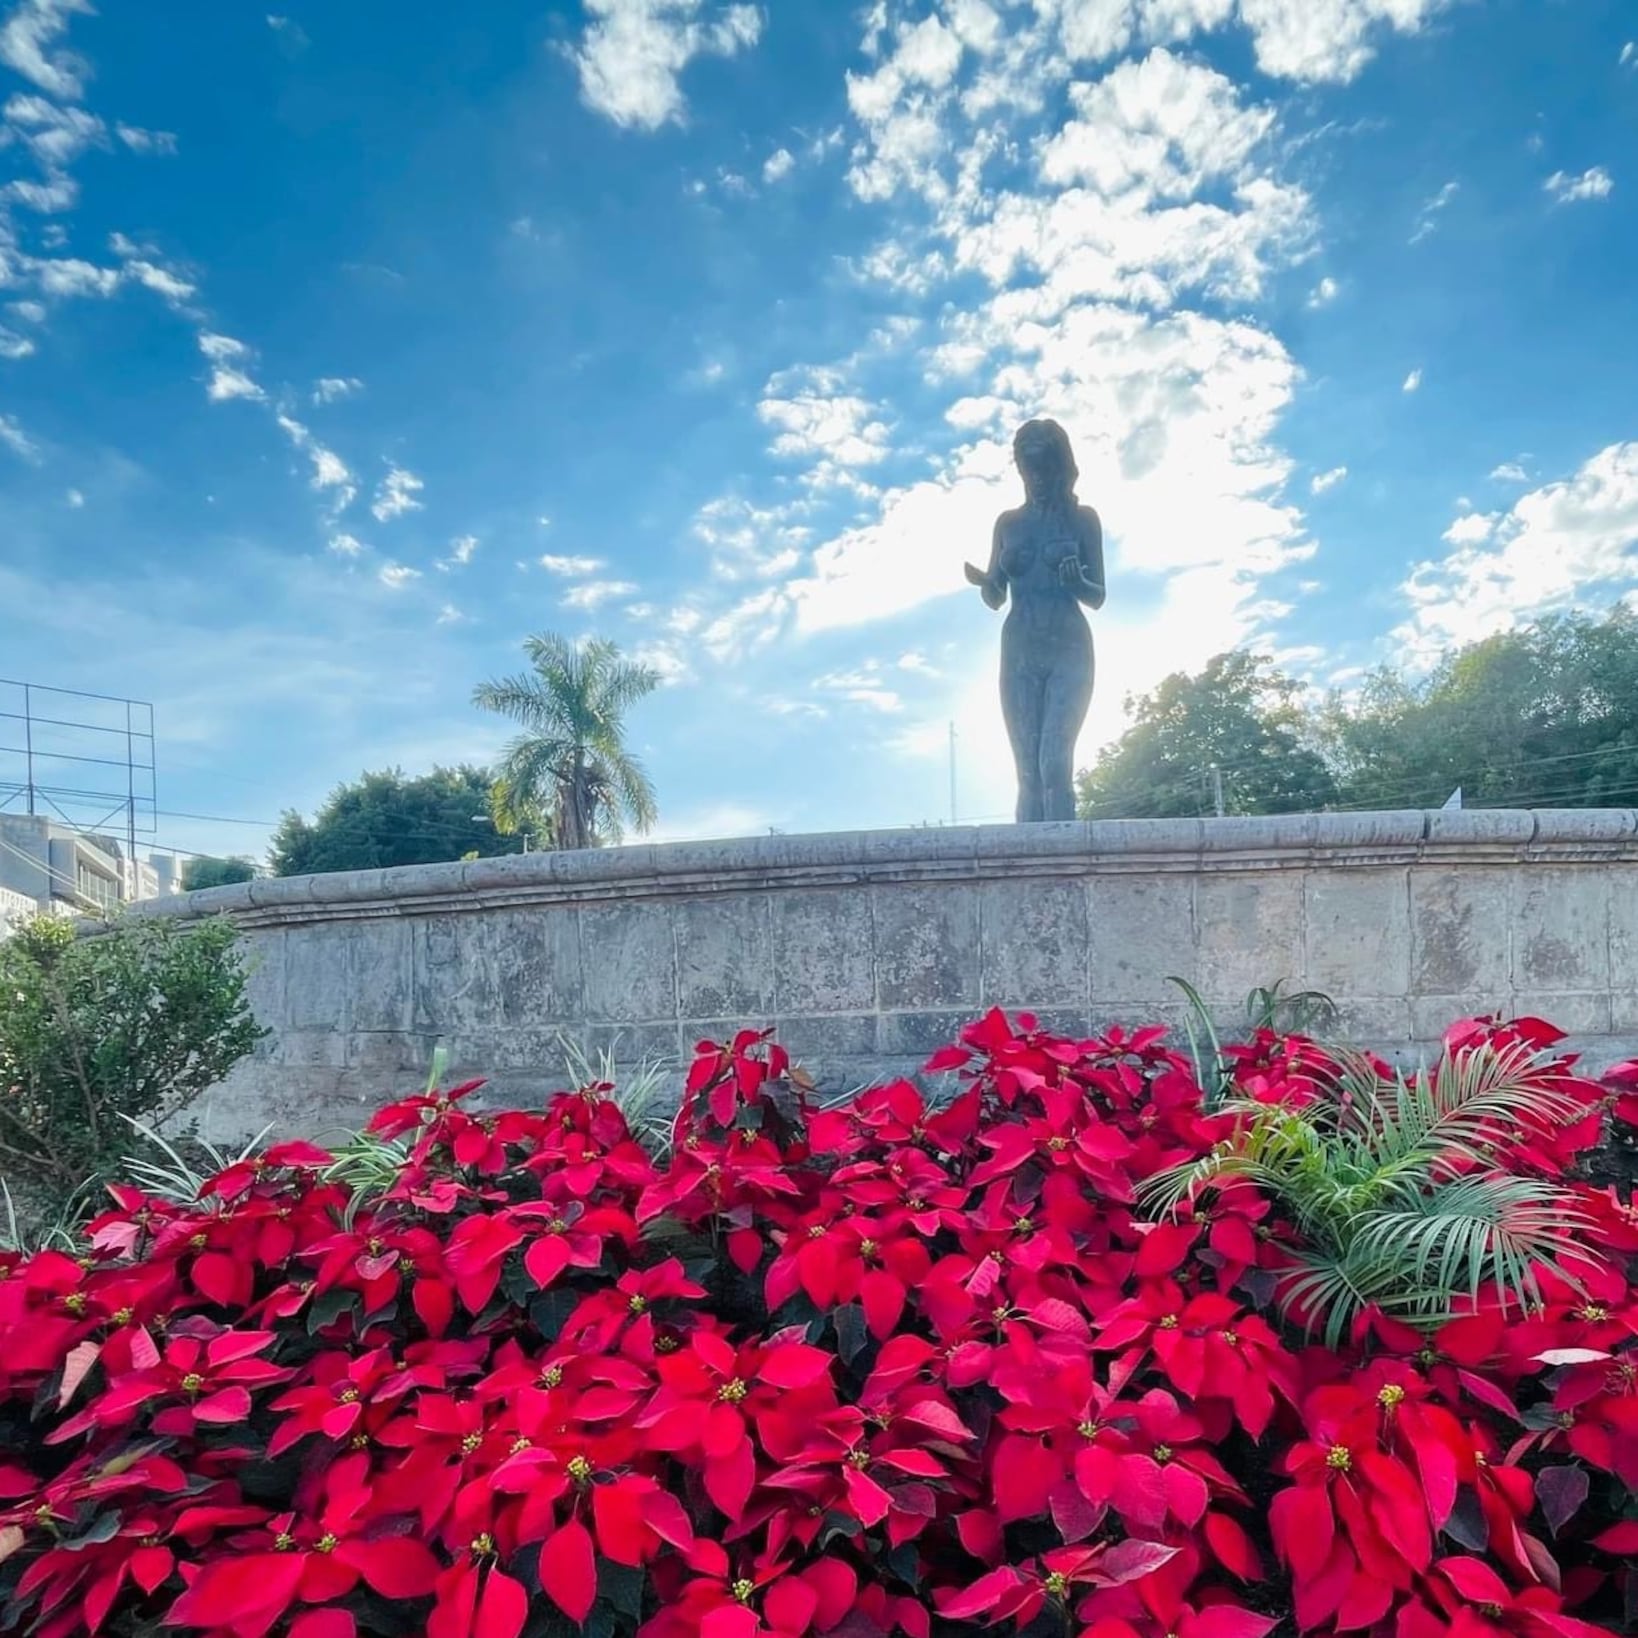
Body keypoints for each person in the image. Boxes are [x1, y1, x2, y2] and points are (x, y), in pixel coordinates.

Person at [966, 419, 1105, 823]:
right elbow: (996, 596)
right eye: (1029, 470)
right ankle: (1024, 875)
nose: (1037, 479)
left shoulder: (1083, 519)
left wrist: (1076, 579)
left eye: (1044, 469)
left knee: (1055, 766)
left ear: (1060, 467)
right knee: (1026, 773)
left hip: (1069, 647)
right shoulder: (1008, 523)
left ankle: (1066, 867)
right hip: (1020, 647)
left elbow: (1097, 595)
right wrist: (985, 582)